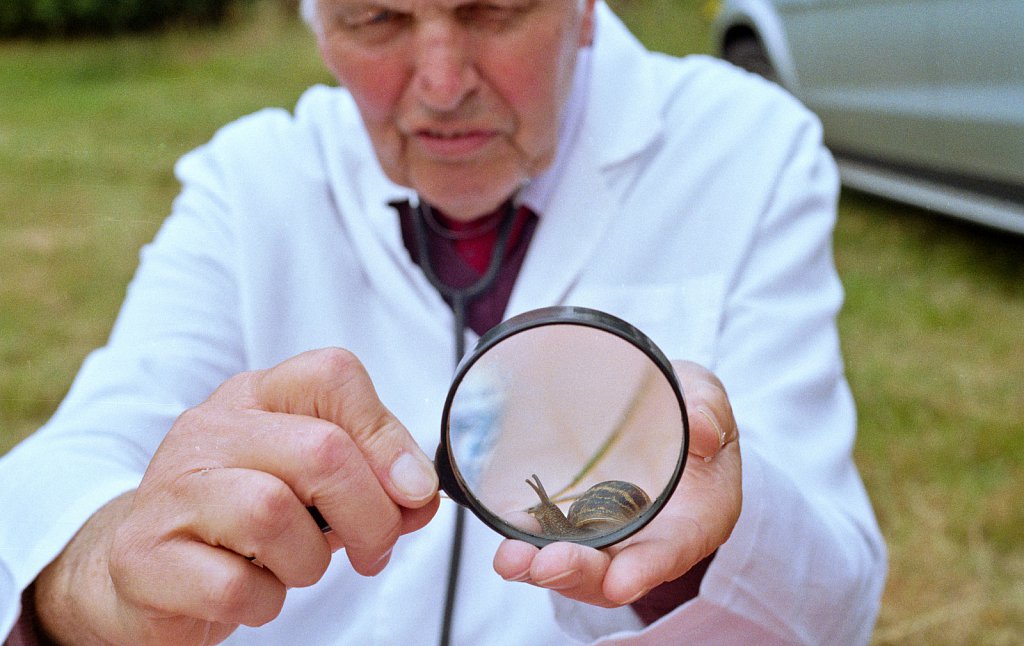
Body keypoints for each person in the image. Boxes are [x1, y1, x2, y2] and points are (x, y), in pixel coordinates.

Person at [0, 0, 887, 643]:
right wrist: (94, 582)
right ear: (318, 28)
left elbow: (834, 605)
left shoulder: (746, 147)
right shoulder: (252, 183)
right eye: (377, 21)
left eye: (493, 11)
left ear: (584, 10)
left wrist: (707, 534)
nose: (440, 83)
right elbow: (65, 469)